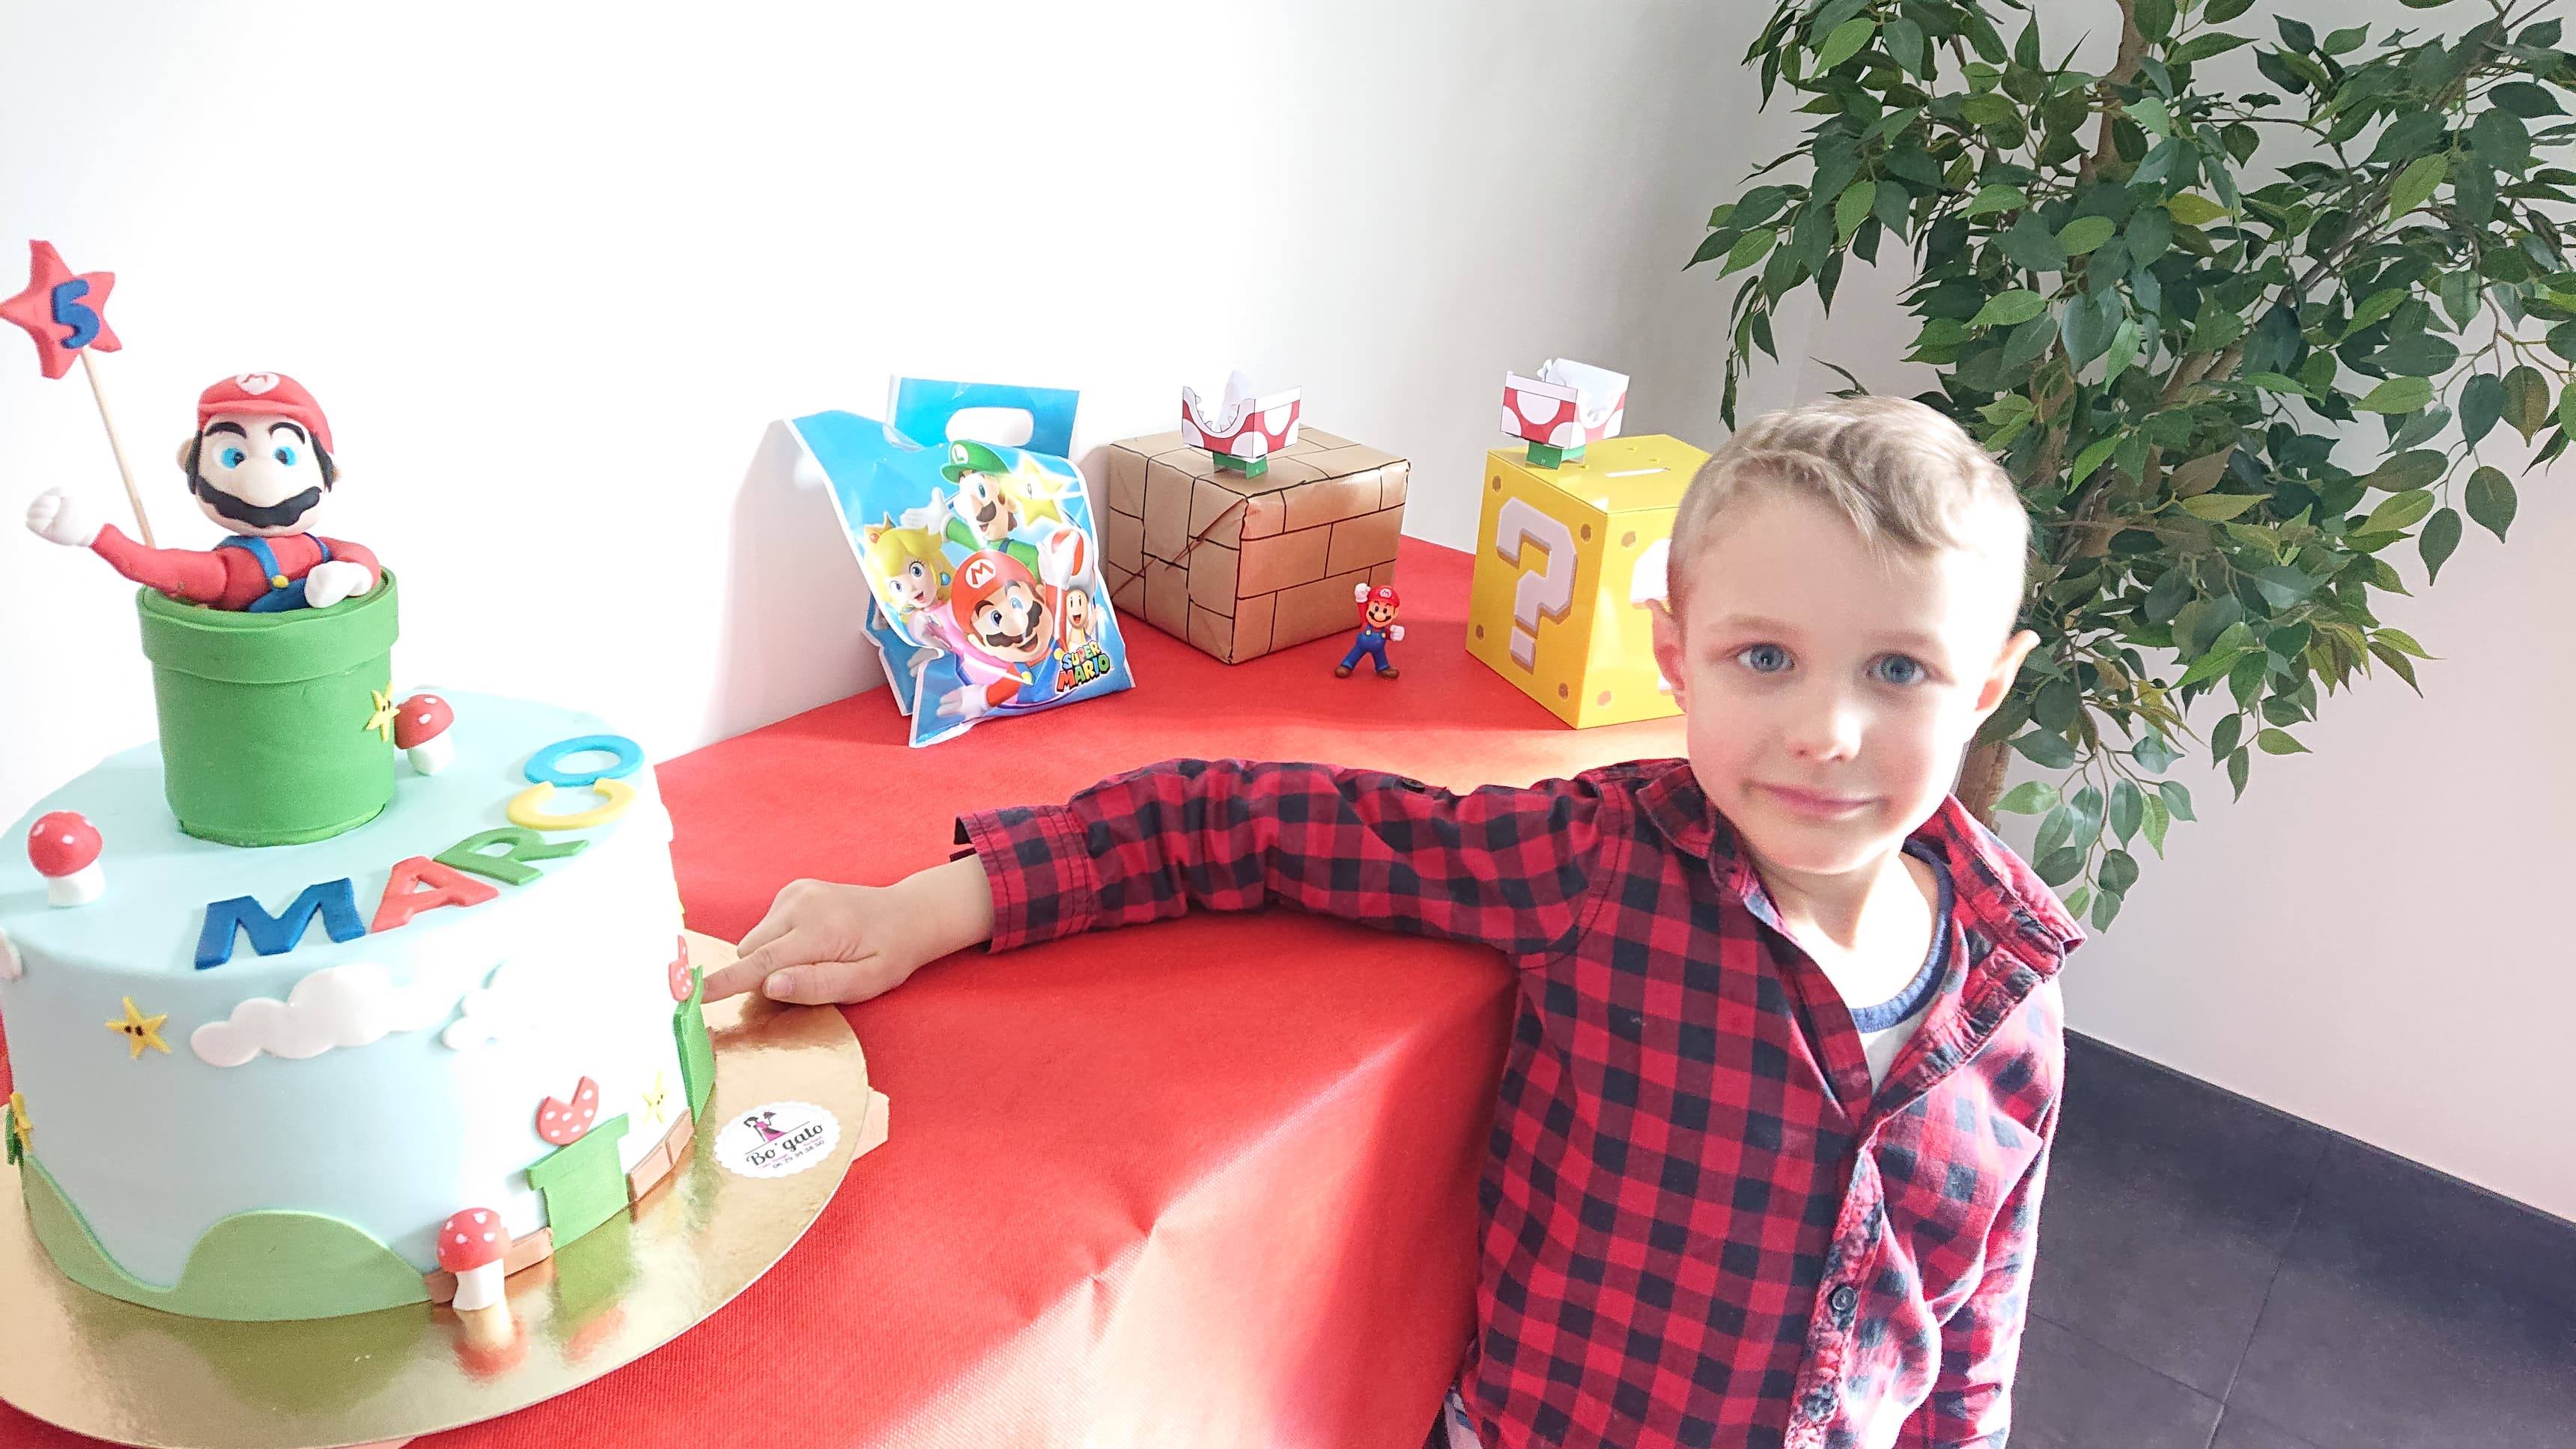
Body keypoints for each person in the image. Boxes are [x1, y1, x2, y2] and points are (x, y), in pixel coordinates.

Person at [704, 395, 2082, 1448]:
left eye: (1899, 669)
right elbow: (1249, 820)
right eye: (1764, 658)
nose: (1827, 731)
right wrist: (939, 904)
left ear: (1989, 689)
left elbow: (1978, 1326)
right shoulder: (1600, 862)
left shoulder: (2015, 999)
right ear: (1678, 656)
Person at [22, 372, 381, 611]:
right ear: (192, 467)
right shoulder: (225, 571)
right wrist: (95, 534)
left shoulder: (323, 551)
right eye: (233, 456)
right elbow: (161, 567)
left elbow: (361, 557)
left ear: (328, 469)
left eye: (284, 455)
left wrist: (352, 574)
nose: (259, 475)